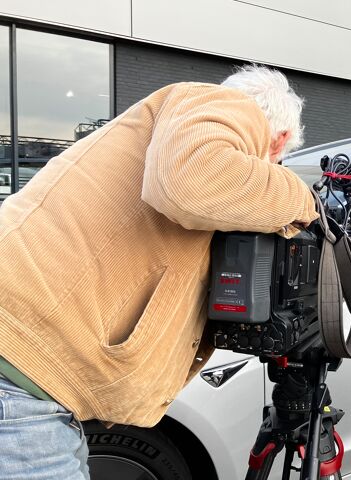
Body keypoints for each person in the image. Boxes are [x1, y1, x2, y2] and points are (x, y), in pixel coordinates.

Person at [0, 65, 318, 479]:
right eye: (277, 162)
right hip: (19, 382)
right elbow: (191, 184)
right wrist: (304, 200)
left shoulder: (168, 137)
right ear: (279, 140)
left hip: (31, 385)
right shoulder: (218, 102)